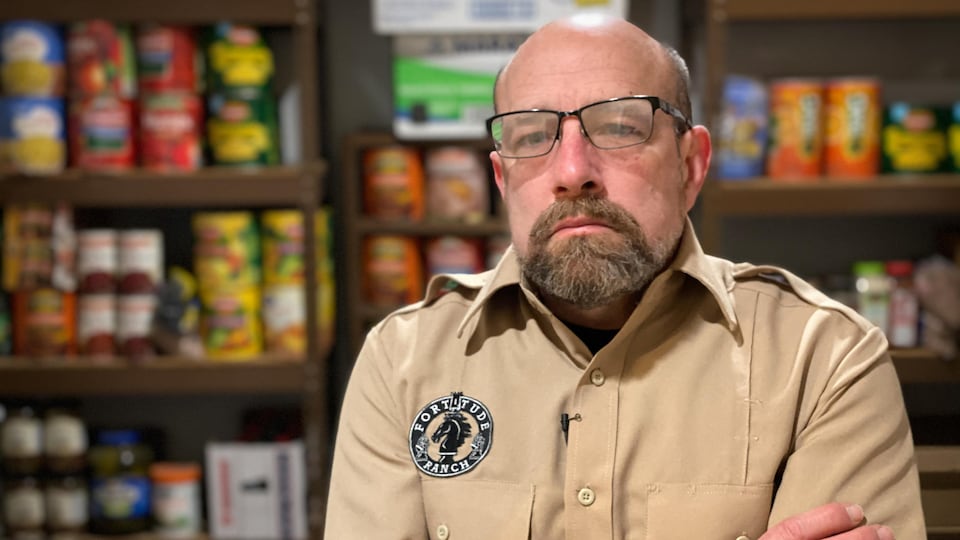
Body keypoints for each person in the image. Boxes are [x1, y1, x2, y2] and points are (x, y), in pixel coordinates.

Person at [325, 14, 926, 539]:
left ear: (692, 165)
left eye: (618, 127)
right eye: (532, 137)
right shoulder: (402, 363)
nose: (571, 170)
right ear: (503, 180)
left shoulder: (824, 361)